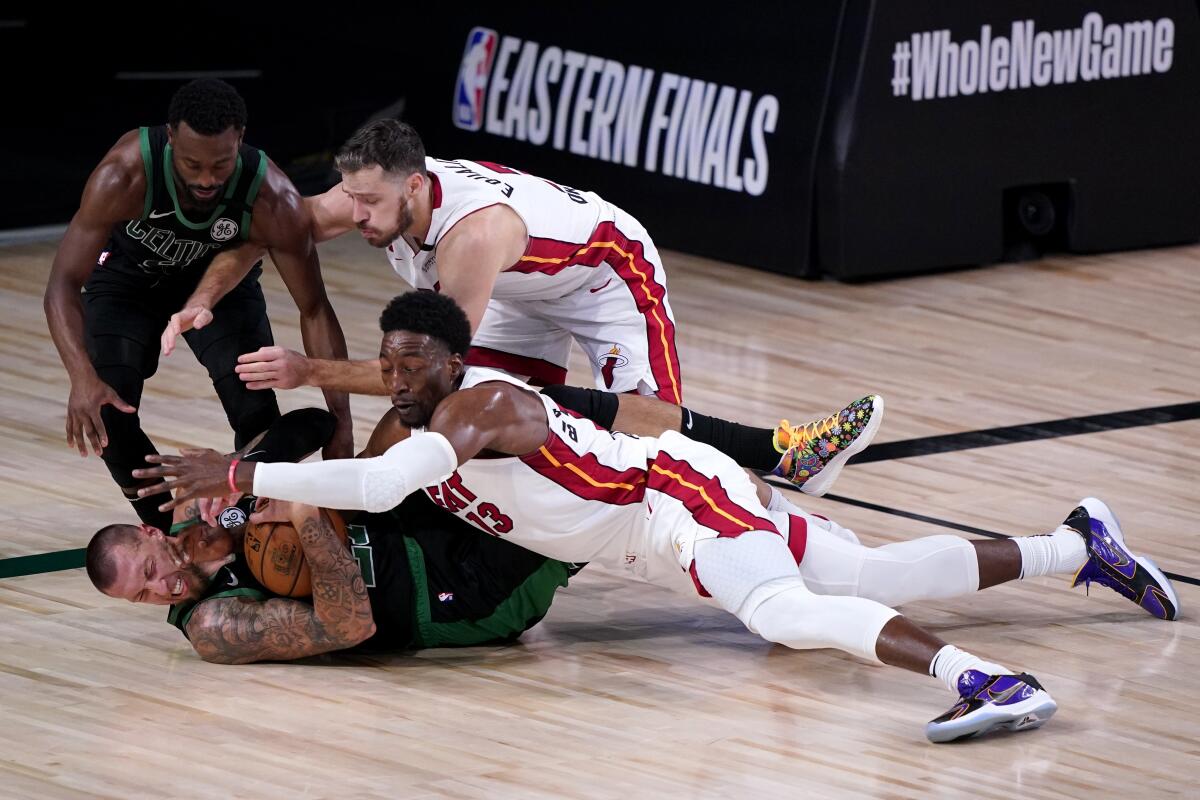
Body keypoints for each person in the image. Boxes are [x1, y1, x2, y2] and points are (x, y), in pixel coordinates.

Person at [135, 292, 1181, 743]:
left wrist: (237, 469)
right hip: (661, 510)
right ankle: (1076, 541)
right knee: (870, 576)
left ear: (454, 365)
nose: (400, 374)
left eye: (417, 363)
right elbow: (372, 462)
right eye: (392, 360)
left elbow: (371, 490)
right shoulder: (419, 404)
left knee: (779, 612)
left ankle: (982, 679)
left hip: (673, 503)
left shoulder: (479, 407)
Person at [43, 78, 353, 535]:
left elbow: (314, 309)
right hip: (130, 283)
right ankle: (176, 537)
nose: (207, 178)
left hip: (222, 292)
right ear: (170, 138)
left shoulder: (272, 197)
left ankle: (242, 528)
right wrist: (80, 378)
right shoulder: (124, 175)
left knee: (256, 415)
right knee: (108, 412)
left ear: (240, 141)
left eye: (220, 165)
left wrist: (343, 422)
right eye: (192, 164)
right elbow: (62, 285)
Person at [191, 119, 685, 401]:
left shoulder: (470, 237)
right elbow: (272, 233)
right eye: (350, 195)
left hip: (601, 275)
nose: (355, 214)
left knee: (651, 437)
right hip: (511, 290)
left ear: (414, 185)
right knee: (474, 416)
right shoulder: (372, 192)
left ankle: (762, 484)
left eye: (369, 202)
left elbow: (422, 368)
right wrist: (201, 297)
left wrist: (309, 371)